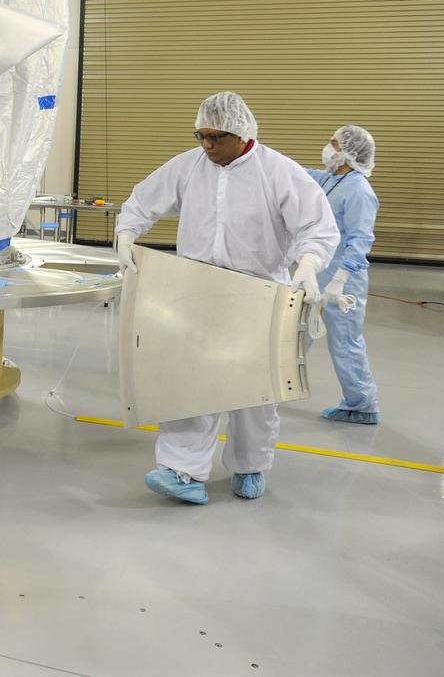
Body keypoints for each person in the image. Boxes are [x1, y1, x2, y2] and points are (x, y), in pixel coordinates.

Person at [115, 91, 339, 504]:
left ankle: (250, 465)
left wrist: (307, 266)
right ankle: (181, 470)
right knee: (189, 384)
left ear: (241, 134)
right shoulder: (189, 166)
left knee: (255, 392)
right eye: (200, 135)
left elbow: (318, 228)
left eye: (215, 137)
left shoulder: (279, 172)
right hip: (196, 290)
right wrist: (128, 234)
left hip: (260, 295)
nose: (206, 146)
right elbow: (143, 201)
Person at [305, 126, 381, 424]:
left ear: (348, 152)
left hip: (343, 281)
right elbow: (301, 175)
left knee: (345, 342)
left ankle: (363, 405)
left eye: (333, 144)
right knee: (298, 333)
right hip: (317, 274)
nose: (328, 148)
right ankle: (273, 388)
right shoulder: (332, 179)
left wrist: (339, 280)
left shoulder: (359, 191)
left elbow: (360, 240)